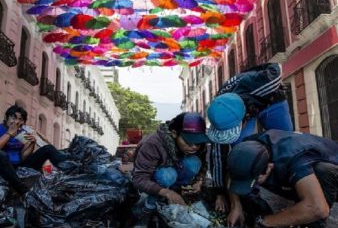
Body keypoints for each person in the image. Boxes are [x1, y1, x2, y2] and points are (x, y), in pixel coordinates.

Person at [205, 63, 294, 221]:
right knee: (240, 152)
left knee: (286, 144)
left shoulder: (256, 83)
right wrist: (221, 194)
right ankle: (248, 192)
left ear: (243, 120)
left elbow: (276, 68)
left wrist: (251, 73)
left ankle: (291, 187)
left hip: (271, 101)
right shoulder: (219, 114)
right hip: (240, 106)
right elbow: (218, 157)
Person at [227, 129, 338, 228]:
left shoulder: (294, 159)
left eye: (255, 179)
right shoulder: (247, 146)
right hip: (297, 165)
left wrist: (264, 222)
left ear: (269, 167)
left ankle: (313, 222)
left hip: (330, 168)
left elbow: (318, 209)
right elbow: (233, 173)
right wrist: (235, 206)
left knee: (323, 171)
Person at [132, 112, 210, 219]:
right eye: (189, 142)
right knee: (167, 175)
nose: (194, 147)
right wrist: (167, 193)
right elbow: (139, 179)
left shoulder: (199, 146)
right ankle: (148, 207)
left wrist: (199, 181)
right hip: (155, 181)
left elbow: (203, 164)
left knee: (194, 163)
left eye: (197, 142)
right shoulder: (153, 143)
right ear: (174, 133)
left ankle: (177, 192)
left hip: (175, 178)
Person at [0, 105, 67, 195]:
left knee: (48, 148)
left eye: (20, 119)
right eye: (13, 117)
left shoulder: (21, 133)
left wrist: (32, 143)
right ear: (6, 117)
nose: (16, 121)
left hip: (17, 166)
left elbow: (23, 157)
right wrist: (9, 133)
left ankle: (71, 168)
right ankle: (22, 190)